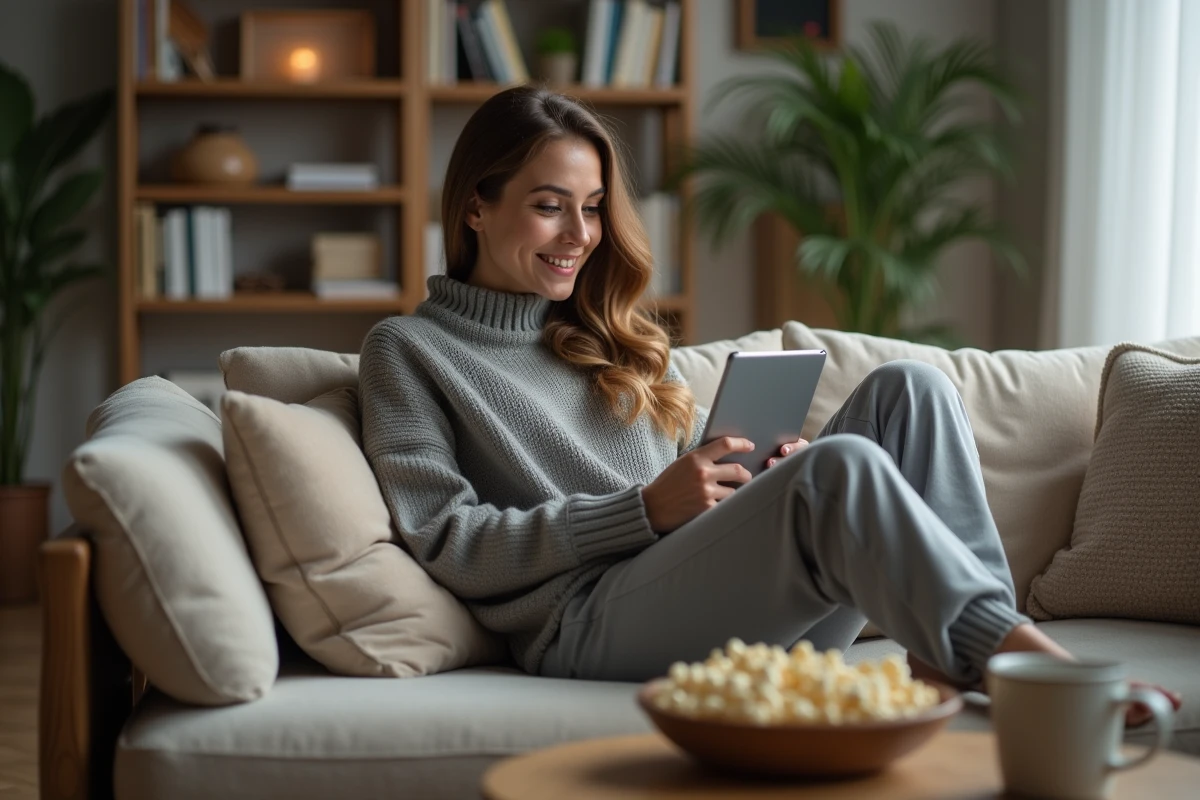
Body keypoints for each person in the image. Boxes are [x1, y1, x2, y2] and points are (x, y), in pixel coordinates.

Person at [359, 85, 1179, 726]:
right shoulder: (409, 351)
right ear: (475, 205)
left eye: (594, 205)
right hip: (586, 626)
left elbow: (682, 502)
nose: (580, 233)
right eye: (549, 205)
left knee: (912, 391)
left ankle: (956, 651)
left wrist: (750, 493)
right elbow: (445, 539)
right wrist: (640, 511)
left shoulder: (603, 335)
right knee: (842, 468)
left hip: (700, 601)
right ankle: (1030, 671)